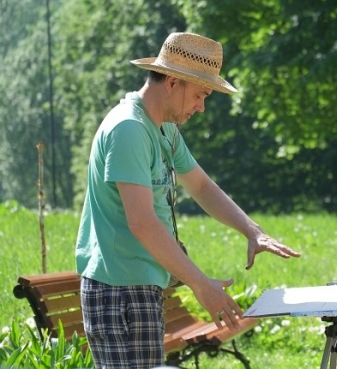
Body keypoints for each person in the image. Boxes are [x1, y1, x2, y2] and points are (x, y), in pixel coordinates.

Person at [75, 32, 301, 369]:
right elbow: (142, 223)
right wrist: (201, 284)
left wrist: (252, 231)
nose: (201, 107)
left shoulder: (163, 129)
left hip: (138, 287)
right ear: (171, 82)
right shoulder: (129, 130)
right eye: (199, 95)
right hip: (119, 291)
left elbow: (201, 186)